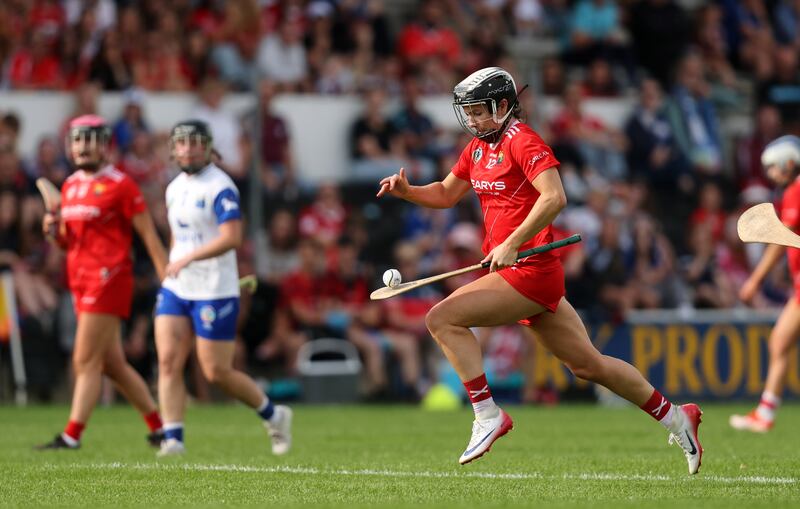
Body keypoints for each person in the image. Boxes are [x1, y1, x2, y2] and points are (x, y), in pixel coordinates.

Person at [377, 67, 704, 473]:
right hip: (519, 271)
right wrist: (409, 192)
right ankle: (676, 416)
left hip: (530, 269)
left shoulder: (524, 141)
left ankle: (487, 415)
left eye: (479, 111)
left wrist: (512, 242)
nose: (473, 120)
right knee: (589, 365)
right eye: (470, 113)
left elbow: (555, 197)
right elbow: (445, 193)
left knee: (441, 318)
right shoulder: (477, 148)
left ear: (502, 105)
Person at [154, 120, 292, 457]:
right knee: (169, 361)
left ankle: (274, 414)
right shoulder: (173, 188)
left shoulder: (221, 186)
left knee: (215, 371)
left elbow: (231, 238)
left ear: (208, 147)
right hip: (178, 287)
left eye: (195, 142)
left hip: (214, 287)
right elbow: (178, 236)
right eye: (182, 143)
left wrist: (187, 259)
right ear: (174, 150)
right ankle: (173, 439)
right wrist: (176, 262)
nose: (188, 149)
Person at [37, 115, 167, 449]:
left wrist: (165, 269)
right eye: (78, 140)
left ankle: (71, 436)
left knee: (84, 360)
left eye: (91, 140)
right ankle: (159, 428)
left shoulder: (121, 185)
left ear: (105, 145)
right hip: (79, 280)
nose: (83, 147)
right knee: (112, 364)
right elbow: (68, 240)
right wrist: (53, 233)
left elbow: (147, 233)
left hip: (108, 278)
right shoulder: (70, 185)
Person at [731, 135, 800, 433]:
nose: (771, 174)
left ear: (789, 163)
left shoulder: (796, 190)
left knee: (780, 341)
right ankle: (765, 414)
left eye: (773, 167)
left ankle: (765, 414)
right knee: (780, 341)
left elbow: (780, 239)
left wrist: (755, 280)